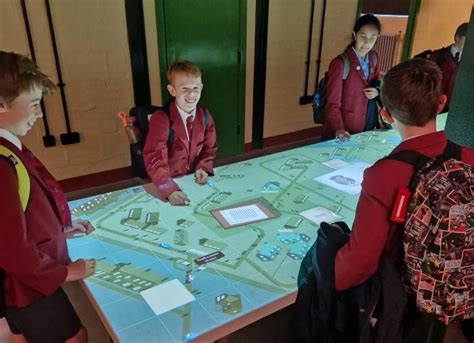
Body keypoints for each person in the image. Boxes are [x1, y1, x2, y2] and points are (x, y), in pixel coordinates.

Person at [333, 58, 474, 342]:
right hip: (464, 293)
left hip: (410, 303)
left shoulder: (383, 174)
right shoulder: (467, 156)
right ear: (441, 103)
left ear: (385, 115)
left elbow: (360, 261)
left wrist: (325, 272)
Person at [0, 52, 96, 342]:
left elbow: (24, 211)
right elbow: (11, 249)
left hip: (25, 280)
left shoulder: (8, 147)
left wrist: (60, 230)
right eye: (33, 105)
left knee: (20, 334)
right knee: (75, 338)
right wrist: (66, 273)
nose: (39, 114)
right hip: (26, 287)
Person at [143, 60, 217, 205]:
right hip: (166, 182)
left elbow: (210, 148)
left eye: (196, 87)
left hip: (191, 181)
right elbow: (154, 158)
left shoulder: (204, 115)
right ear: (172, 90)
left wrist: (203, 167)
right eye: (184, 88)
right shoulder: (161, 118)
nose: (191, 93)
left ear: (201, 88)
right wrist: (168, 189)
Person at [324, 14, 382, 140]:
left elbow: (376, 82)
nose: (367, 42)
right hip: (345, 125)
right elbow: (332, 103)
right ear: (355, 35)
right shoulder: (340, 63)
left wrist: (377, 91)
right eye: (363, 36)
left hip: (368, 120)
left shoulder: (373, 58)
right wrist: (338, 128)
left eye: (372, 38)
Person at [427, 22, 468, 112]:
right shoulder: (437, 55)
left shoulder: (469, 61)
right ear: (458, 38)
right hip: (432, 107)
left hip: (455, 110)